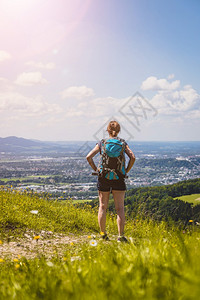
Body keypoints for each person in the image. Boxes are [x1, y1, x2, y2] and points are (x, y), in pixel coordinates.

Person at [86, 120, 135, 242]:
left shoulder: (102, 143)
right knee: (120, 208)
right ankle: (121, 236)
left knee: (102, 207)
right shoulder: (123, 143)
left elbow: (88, 157)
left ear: (107, 130)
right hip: (119, 177)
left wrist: (96, 169)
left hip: (104, 177)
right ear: (119, 131)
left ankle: (103, 234)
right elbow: (132, 157)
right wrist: (125, 171)